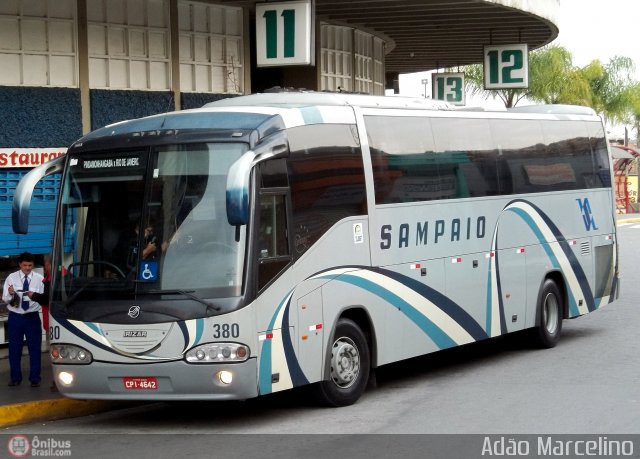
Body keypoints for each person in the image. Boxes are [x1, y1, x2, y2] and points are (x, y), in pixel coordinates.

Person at [2, 252, 45, 387]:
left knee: (35, 348)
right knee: (14, 348)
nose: (27, 268)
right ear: (20, 264)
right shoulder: (11, 278)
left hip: (32, 317)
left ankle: (35, 378)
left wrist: (36, 297)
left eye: (30, 265)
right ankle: (15, 378)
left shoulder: (39, 278)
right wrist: (9, 294)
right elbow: (5, 299)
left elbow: (44, 297)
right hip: (15, 317)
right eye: (25, 265)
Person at [26, 254, 58, 391]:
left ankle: (57, 382)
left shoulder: (55, 278)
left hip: (55, 322)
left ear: (50, 264)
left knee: (56, 354)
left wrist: (34, 296)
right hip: (49, 321)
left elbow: (48, 298)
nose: (45, 267)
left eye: (46, 264)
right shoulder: (51, 277)